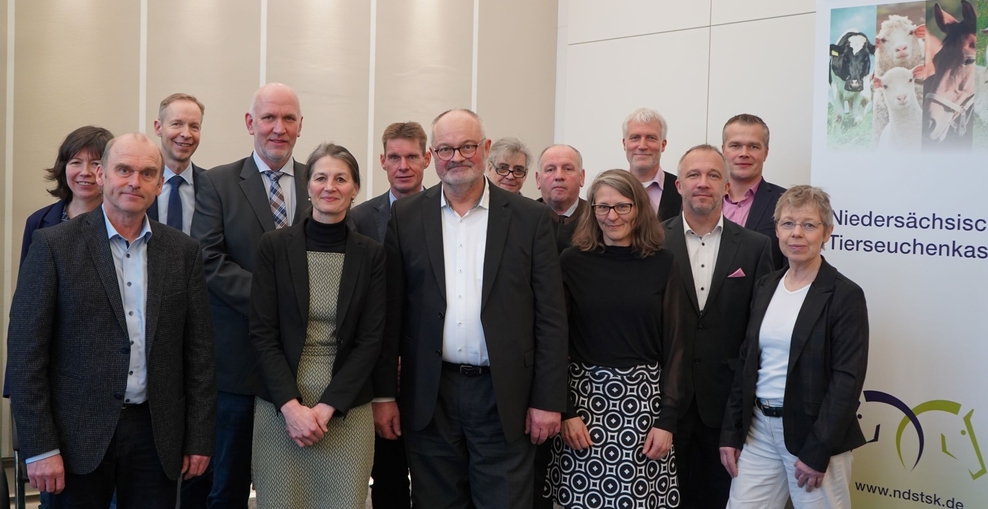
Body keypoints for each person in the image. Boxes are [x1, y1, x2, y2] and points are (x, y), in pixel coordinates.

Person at [7, 133, 216, 508]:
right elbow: (26, 355)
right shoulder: (54, 245)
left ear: (158, 183)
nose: (134, 182)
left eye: (147, 173)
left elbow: (198, 353)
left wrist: (199, 438)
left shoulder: (182, 251)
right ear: (103, 175)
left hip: (156, 435)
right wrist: (40, 447)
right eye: (124, 170)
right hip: (74, 438)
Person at [379, 109, 568, 508]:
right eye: (446, 148)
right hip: (431, 394)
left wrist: (549, 399)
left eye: (466, 146)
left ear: (484, 148)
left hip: (505, 396)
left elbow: (551, 317)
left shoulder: (530, 220)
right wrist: (383, 395)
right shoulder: (407, 217)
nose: (457, 157)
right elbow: (391, 313)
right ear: (433, 155)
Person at [246, 143, 385, 507]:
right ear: (308, 186)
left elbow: (371, 341)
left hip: (346, 409)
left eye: (341, 179)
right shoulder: (273, 247)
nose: (330, 186)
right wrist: (292, 409)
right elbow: (262, 333)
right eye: (321, 177)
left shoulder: (371, 254)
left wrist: (325, 409)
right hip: (281, 406)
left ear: (355, 188)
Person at [188, 82, 306, 508]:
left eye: (288, 119)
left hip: (303, 369)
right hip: (235, 368)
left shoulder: (320, 182)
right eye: (269, 118)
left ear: (300, 126)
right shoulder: (218, 183)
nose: (278, 128)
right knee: (226, 488)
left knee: (292, 489)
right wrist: (272, 299)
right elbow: (208, 260)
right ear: (249, 123)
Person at [720, 185, 869, 508]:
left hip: (812, 436)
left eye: (809, 225)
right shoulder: (766, 285)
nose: (796, 233)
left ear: (827, 232)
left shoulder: (844, 295)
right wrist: (732, 433)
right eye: (788, 224)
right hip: (758, 431)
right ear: (776, 231)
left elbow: (847, 380)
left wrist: (818, 449)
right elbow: (747, 363)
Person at [548, 169, 683, 509]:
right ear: (591, 210)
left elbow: (677, 345)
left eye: (622, 207)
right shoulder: (571, 262)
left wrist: (666, 421)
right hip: (584, 407)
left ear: (638, 208)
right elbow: (554, 342)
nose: (612, 216)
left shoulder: (663, 263)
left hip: (643, 407)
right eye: (602, 207)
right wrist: (566, 410)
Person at [662, 145, 773, 509]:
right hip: (665, 402)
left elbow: (760, 329)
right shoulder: (653, 243)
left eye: (713, 175)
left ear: (727, 186)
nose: (703, 183)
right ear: (678, 185)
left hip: (726, 404)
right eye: (693, 175)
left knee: (718, 499)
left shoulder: (756, 248)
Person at [352, 121, 430, 509]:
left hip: (430, 362)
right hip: (375, 361)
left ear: (427, 159)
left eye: (412, 156)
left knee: (435, 471)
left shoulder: (443, 214)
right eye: (395, 157)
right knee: (387, 472)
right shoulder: (360, 218)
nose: (403, 165)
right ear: (382, 161)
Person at [19, 125, 113, 267]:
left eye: (95, 163)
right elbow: (29, 285)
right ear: (63, 168)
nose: (85, 172)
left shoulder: (126, 221)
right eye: (76, 162)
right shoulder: (37, 222)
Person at [721, 114, 787, 269]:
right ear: (723, 150)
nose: (744, 153)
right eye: (735, 145)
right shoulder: (702, 199)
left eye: (753, 146)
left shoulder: (785, 203)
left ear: (766, 152)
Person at [149, 93, 206, 236]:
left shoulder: (213, 186)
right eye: (176, 124)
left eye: (194, 126)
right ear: (158, 127)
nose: (186, 134)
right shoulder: (139, 183)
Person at [622, 107, 681, 221]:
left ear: (663, 145)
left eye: (651, 138)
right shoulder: (610, 190)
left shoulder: (682, 191)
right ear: (625, 144)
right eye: (635, 138)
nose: (642, 146)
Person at [535, 144, 586, 254]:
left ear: (582, 177)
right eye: (550, 169)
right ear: (538, 179)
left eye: (568, 169)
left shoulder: (596, 218)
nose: (559, 176)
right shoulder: (524, 218)